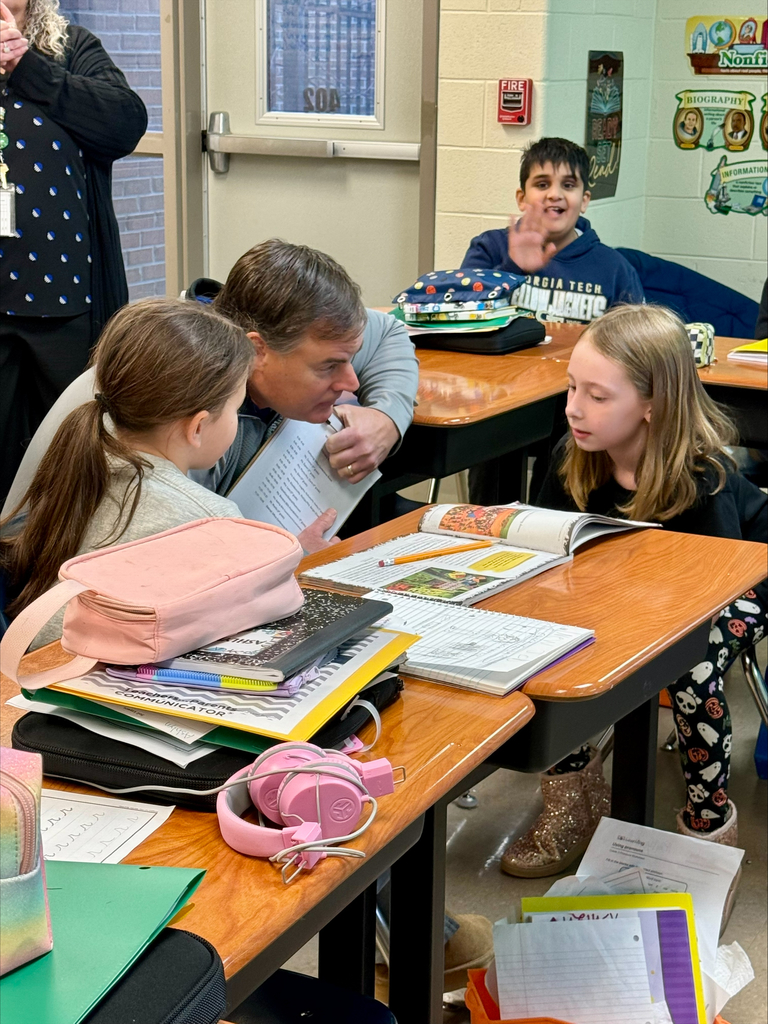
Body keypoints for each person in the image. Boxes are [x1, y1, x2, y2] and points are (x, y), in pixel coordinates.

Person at [501, 304, 767, 879]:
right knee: (550, 643)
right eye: (572, 387)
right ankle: (573, 800)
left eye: (598, 396)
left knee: (692, 669)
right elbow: (547, 552)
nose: (573, 408)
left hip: (742, 576)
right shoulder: (572, 455)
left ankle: (707, 826)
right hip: (634, 584)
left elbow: (710, 593)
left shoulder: (705, 478)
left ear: (653, 404)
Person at [2, 240, 419, 551]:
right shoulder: (170, 407)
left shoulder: (294, 330)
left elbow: (390, 334)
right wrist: (284, 561)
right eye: (329, 366)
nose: (351, 381)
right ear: (258, 351)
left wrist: (387, 418)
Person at [0, 298, 253, 647]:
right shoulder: (212, 523)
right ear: (198, 426)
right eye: (236, 408)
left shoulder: (73, 468)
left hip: (36, 671)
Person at [0, 0, 147, 506]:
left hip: (64, 305)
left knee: (74, 471)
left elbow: (125, 124)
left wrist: (26, 67)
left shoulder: (69, 48)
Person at [461, 137, 643, 504]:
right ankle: (488, 529)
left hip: (575, 401)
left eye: (568, 185)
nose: (554, 195)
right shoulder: (492, 248)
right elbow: (460, 316)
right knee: (494, 431)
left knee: (568, 438)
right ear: (521, 197)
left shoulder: (613, 268)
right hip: (502, 398)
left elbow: (637, 345)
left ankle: (553, 526)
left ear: (585, 200)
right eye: (542, 184)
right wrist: (513, 269)